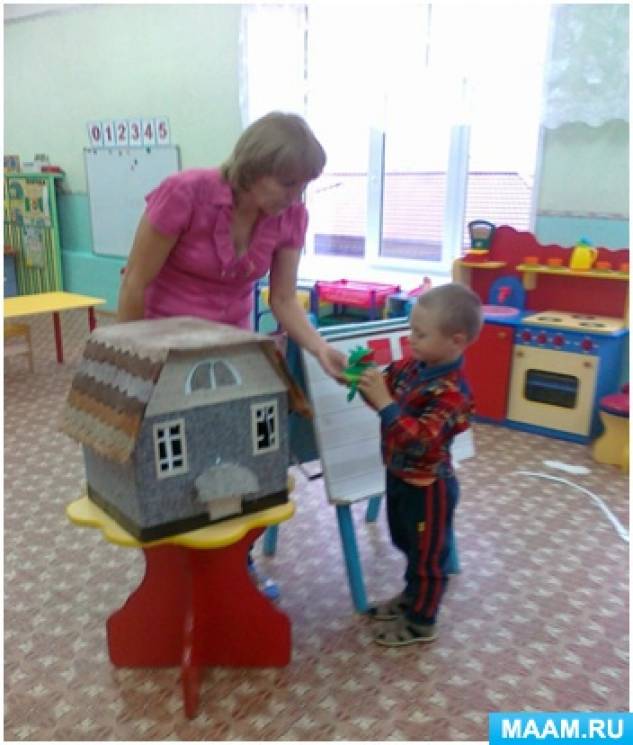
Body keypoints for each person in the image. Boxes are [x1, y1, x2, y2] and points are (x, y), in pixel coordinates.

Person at [117, 111, 347, 596]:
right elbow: (135, 281)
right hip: (166, 348)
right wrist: (136, 366)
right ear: (253, 167)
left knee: (238, 458)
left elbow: (282, 299)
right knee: (172, 464)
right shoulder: (186, 193)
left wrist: (320, 349)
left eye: (304, 185)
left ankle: (234, 565)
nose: (296, 196)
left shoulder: (290, 217)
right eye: (288, 183)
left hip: (234, 350)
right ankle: (174, 574)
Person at [357, 283, 482, 646]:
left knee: (429, 558)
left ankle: (421, 621)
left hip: (429, 488)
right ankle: (412, 596)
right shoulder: (413, 367)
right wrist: (357, 377)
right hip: (398, 475)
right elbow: (381, 390)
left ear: (456, 341)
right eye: (412, 329)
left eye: (420, 334)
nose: (410, 339)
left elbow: (421, 440)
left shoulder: (453, 392)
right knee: (407, 542)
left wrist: (384, 402)